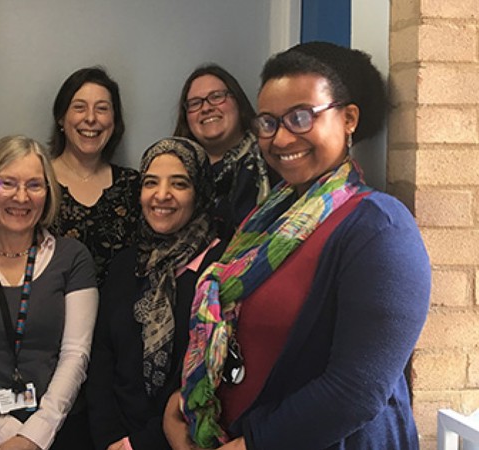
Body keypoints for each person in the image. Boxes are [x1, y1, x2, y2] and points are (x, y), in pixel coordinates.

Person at [164, 42, 431, 449]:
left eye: (301, 117)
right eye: (268, 123)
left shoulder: (379, 229)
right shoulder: (270, 217)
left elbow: (354, 392)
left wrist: (250, 444)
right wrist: (189, 402)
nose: (282, 138)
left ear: (349, 118)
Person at [0, 135, 98, 450]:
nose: (21, 197)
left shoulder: (73, 258)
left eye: (34, 185)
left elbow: (76, 355)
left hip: (57, 433)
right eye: (7, 183)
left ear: (48, 193)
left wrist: (33, 436)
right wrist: (2, 434)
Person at [86, 137, 228, 450]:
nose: (161, 195)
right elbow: (102, 359)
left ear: (200, 191)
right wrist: (110, 438)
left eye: (179, 183)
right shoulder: (127, 264)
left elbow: (207, 378)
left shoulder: (222, 267)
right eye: (151, 182)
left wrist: (140, 444)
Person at [48, 67, 140, 286]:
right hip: (50, 307)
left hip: (120, 307)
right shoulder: (36, 182)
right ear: (61, 117)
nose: (90, 118)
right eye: (79, 107)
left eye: (102, 109)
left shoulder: (134, 186)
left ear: (114, 121)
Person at [173, 64, 274, 232]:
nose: (206, 108)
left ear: (238, 101)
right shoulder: (173, 169)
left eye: (216, 96)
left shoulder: (272, 156)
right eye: (195, 103)